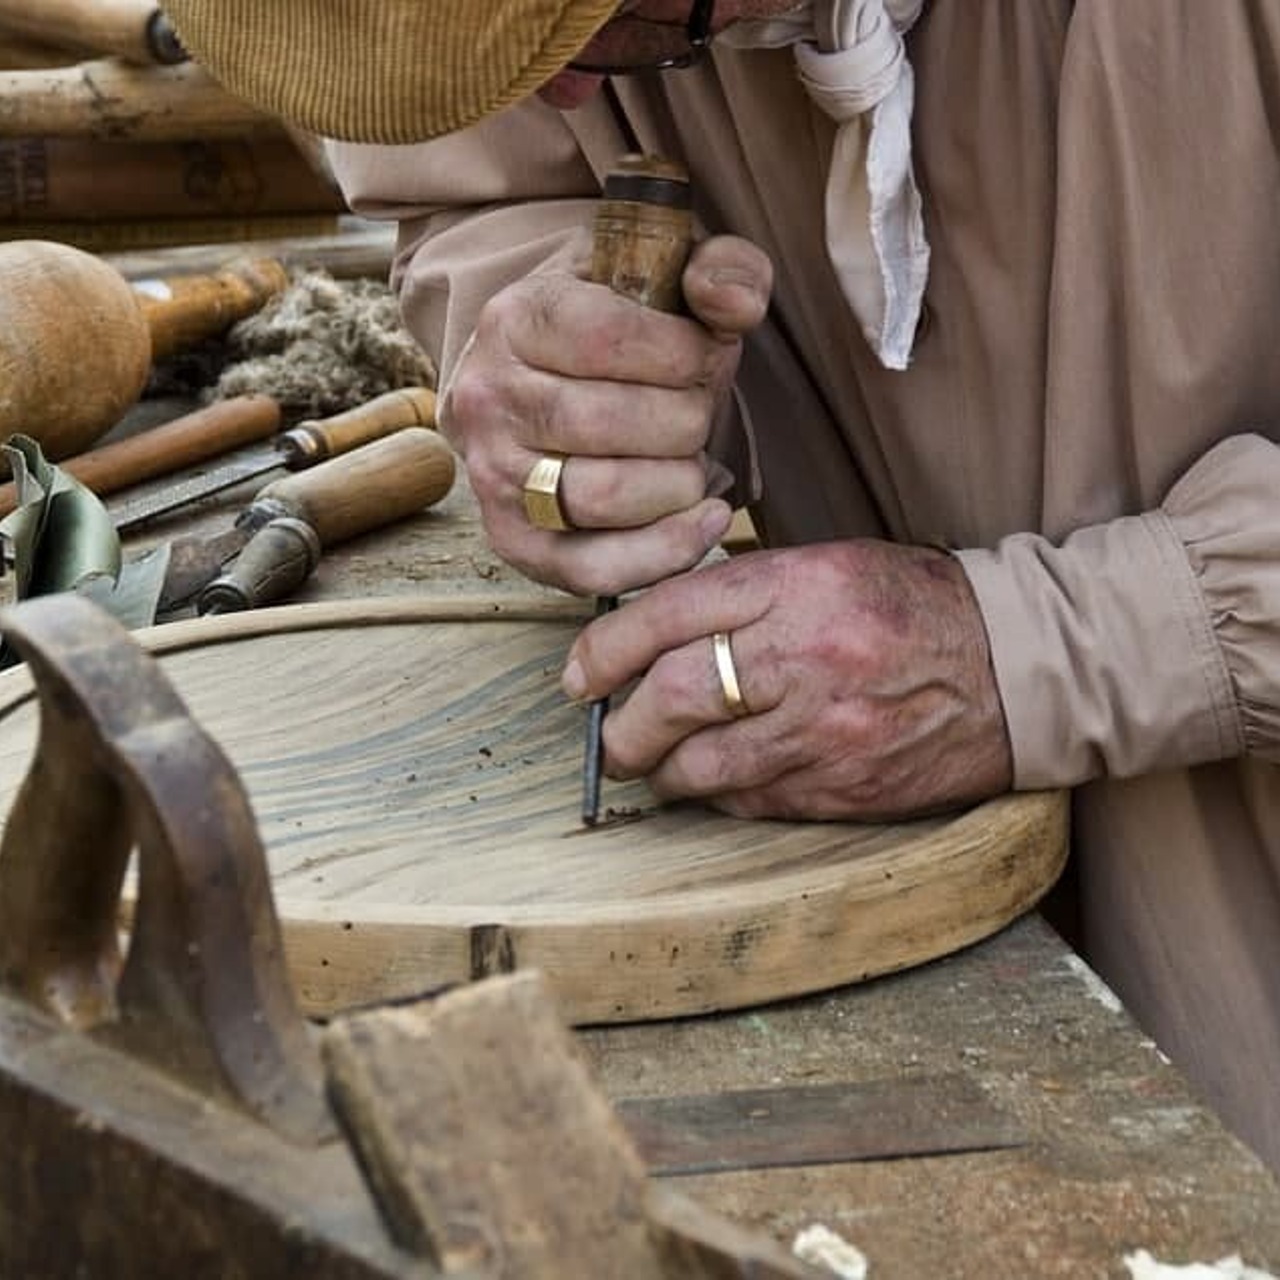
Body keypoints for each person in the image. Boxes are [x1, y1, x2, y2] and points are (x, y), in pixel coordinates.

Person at [165, 0, 1280, 1173]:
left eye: (617, 20)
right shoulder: (557, 63)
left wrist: (1044, 646)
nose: (559, 95)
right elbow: (478, 192)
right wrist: (558, 357)